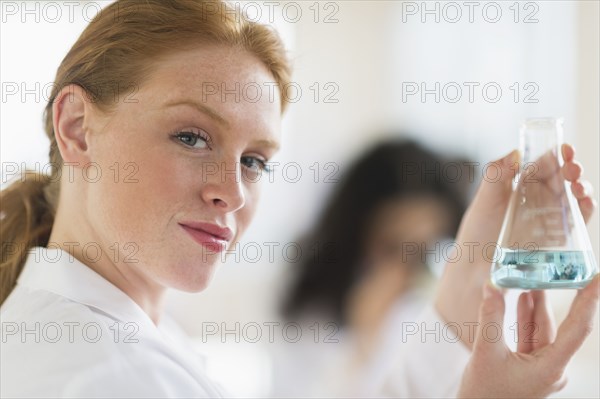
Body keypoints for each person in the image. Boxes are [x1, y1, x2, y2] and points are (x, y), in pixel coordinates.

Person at [0, 0, 598, 397]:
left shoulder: (130, 336)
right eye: (191, 136)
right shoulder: (103, 374)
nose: (231, 192)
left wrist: (455, 302)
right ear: (77, 127)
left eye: (254, 160)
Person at [275, 140, 470, 396]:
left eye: (421, 251)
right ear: (354, 236)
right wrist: (363, 340)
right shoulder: (310, 311)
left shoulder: (438, 313)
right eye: (391, 247)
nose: (405, 269)